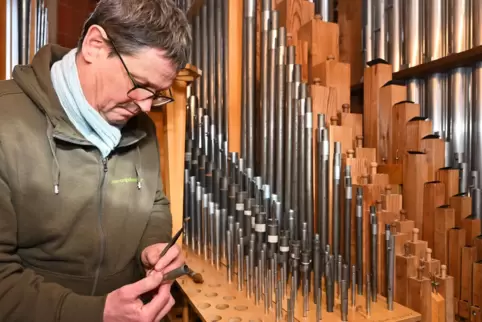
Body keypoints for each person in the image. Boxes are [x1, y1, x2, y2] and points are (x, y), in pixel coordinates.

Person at [0, 0, 191, 321]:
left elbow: (154, 203)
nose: (146, 107)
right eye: (141, 86)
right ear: (95, 45)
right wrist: (93, 313)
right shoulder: (5, 124)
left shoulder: (139, 124)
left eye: (158, 94)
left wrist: (152, 246)